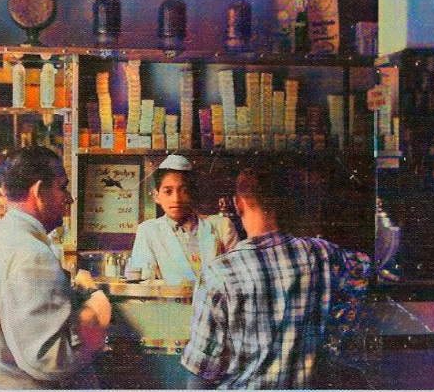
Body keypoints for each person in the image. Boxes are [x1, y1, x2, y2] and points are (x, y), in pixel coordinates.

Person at [181, 165, 371, 389]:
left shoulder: (218, 273)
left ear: (238, 203)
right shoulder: (320, 253)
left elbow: (201, 374)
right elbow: (365, 266)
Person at [0, 146, 111, 389]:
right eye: (62, 187)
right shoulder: (32, 254)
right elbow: (49, 361)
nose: (69, 198)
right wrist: (95, 310)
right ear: (38, 191)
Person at [129, 154, 240, 286]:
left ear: (193, 193)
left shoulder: (221, 226)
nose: (176, 199)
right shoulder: (148, 231)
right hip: (169, 300)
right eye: (168, 191)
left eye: (184, 191)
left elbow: (238, 277)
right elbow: (145, 281)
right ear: (156, 196)